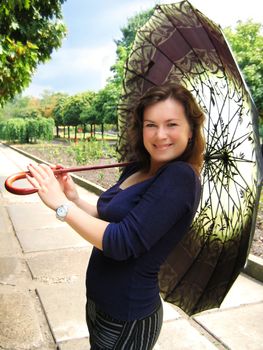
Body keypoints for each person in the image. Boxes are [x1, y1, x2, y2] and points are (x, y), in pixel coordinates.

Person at [26, 83, 206, 349]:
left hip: (127, 316)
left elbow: (123, 242)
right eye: (151, 124)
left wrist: (62, 206)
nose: (160, 135)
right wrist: (74, 197)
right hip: (101, 304)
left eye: (172, 124)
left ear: (190, 131)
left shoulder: (180, 178)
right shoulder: (139, 166)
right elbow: (106, 216)